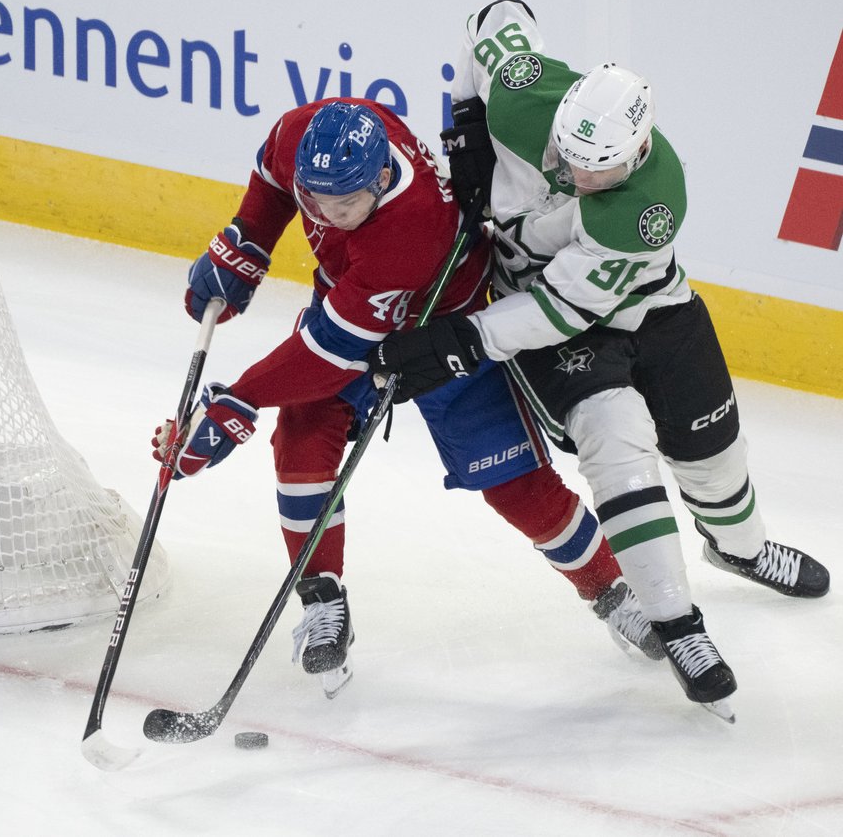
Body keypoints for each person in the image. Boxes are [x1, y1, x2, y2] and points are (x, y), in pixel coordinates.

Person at [368, 0, 829, 718]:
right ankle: (679, 625)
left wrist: (466, 342)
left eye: (598, 170)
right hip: (567, 340)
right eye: (569, 161)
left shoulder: (645, 209)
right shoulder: (527, 97)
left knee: (713, 458)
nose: (578, 177)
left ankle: (738, 548)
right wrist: (465, 123)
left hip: (642, 308)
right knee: (616, 440)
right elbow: (495, 16)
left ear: (638, 151)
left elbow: (562, 306)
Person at [158, 95, 663, 699]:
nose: (327, 212)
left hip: (448, 328)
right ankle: (323, 599)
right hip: (351, 305)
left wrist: (237, 401)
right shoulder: (306, 138)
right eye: (316, 199)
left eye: (345, 203)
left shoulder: (411, 226)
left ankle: (611, 591)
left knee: (513, 482)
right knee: (301, 437)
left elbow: (330, 352)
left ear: (379, 178)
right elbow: (271, 174)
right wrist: (247, 239)